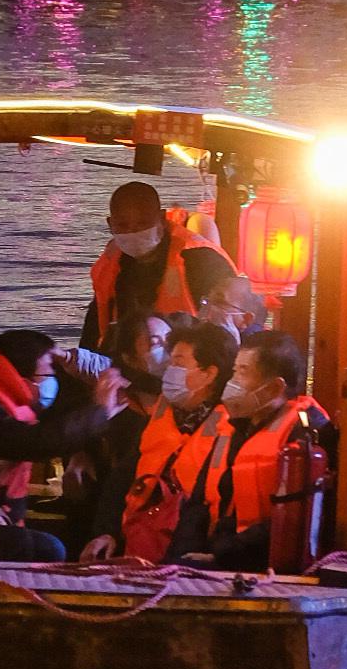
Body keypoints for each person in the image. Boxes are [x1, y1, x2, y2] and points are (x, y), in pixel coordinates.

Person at [82, 317, 236, 566]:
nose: (169, 369)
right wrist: (106, 531)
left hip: (194, 553)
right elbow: (122, 477)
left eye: (178, 362)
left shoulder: (232, 427)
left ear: (209, 374)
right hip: (138, 542)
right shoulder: (159, 416)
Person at [198, 328, 330, 573]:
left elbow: (297, 517)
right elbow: (200, 501)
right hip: (223, 553)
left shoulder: (307, 433)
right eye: (234, 370)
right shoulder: (236, 427)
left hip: (267, 565)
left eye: (243, 372)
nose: (233, 382)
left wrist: (223, 554)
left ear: (274, 388)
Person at [81, 178, 237, 349]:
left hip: (189, 363)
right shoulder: (110, 264)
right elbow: (94, 327)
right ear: (110, 224)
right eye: (123, 225)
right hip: (128, 363)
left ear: (162, 219)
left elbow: (229, 326)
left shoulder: (200, 259)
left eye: (142, 223)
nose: (133, 232)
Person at [63, 311, 172, 555]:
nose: (168, 348)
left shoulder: (184, 400)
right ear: (129, 357)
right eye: (155, 342)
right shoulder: (116, 400)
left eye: (171, 339)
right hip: (113, 516)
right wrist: (78, 454)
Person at [0, 328, 68, 562]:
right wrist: (102, 410)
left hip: (1, 513)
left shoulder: (13, 402)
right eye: (47, 373)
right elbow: (36, 442)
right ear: (21, 375)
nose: (52, 379)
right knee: (52, 548)